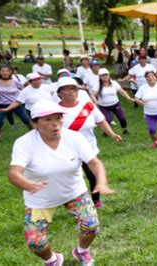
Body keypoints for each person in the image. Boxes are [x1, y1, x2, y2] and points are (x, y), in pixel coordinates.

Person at [8, 100, 114, 265]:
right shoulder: (24, 143)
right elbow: (14, 173)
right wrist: (28, 185)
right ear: (35, 123)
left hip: (74, 192)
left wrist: (102, 182)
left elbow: (94, 163)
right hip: (40, 199)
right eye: (48, 120)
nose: (55, 124)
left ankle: (81, 252)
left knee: (91, 226)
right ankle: (53, 260)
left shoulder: (74, 137)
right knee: (35, 242)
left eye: (58, 118)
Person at [56, 77, 121, 209]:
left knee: (92, 176)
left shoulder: (87, 104)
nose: (71, 92)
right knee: (71, 179)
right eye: (67, 89)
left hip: (88, 149)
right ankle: (72, 202)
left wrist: (112, 134)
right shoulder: (55, 111)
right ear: (59, 93)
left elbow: (101, 120)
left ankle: (96, 200)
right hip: (67, 151)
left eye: (74, 88)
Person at [0, 65, 33, 140]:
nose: (5, 72)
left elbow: (23, 89)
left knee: (26, 119)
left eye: (7, 71)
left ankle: (35, 134)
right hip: (1, 105)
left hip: (15, 104)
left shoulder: (15, 81)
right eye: (3, 71)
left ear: (10, 72)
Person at [91, 68, 134, 135]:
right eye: (102, 75)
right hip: (104, 106)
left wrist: (128, 98)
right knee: (107, 120)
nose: (105, 77)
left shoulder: (114, 83)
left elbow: (122, 91)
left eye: (106, 75)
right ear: (100, 77)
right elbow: (93, 95)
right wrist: (96, 101)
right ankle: (106, 131)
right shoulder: (97, 85)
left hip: (115, 104)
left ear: (109, 75)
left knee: (122, 118)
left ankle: (125, 129)